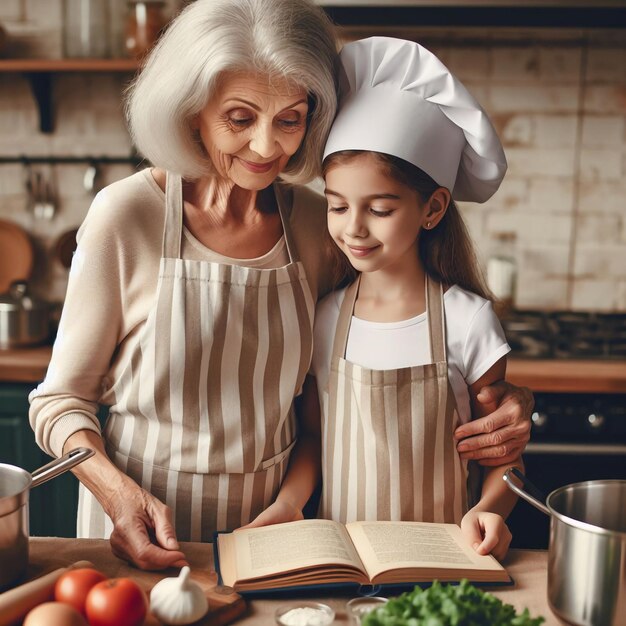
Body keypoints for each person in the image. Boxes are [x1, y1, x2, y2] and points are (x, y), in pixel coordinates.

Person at [29, 1, 530, 571]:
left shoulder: (322, 225)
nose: (268, 148)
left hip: (272, 535)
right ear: (191, 110)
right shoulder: (127, 216)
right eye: (240, 119)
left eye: (289, 119)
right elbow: (59, 402)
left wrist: (510, 403)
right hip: (136, 529)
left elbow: (387, 350)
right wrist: (117, 494)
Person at [249, 37, 524, 560]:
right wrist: (289, 503)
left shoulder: (468, 322)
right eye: (337, 206)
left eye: (379, 209)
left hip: (444, 558)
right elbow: (313, 438)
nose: (353, 228)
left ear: (433, 208)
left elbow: (503, 452)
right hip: (344, 563)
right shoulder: (327, 317)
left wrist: (490, 508)